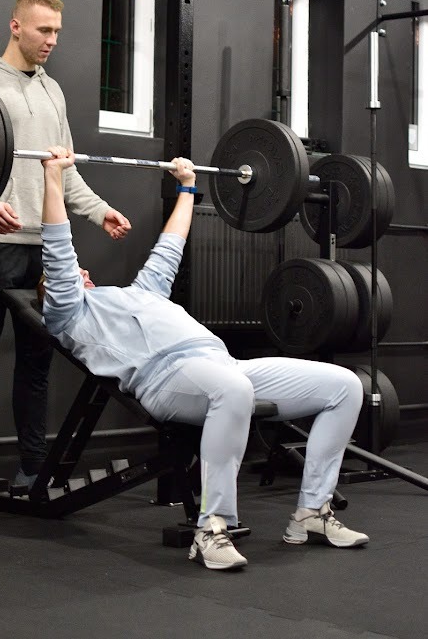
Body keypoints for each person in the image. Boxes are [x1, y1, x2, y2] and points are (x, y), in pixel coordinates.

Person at [39, 145, 369, 571]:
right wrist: (53, 178)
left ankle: (312, 514)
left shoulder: (139, 293)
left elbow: (170, 246)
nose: (75, 272)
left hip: (223, 364)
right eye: (57, 280)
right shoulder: (69, 315)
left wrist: (188, 187)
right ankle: (213, 529)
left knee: (343, 386)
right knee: (232, 390)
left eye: (77, 271)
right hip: (166, 379)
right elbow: (58, 250)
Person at [0, 0, 131, 518]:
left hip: (44, 249)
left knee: (36, 364)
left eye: (56, 31)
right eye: (43, 30)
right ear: (16, 26)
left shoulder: (53, 93)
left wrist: (101, 211)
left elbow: (65, 172)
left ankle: (33, 468)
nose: (51, 40)